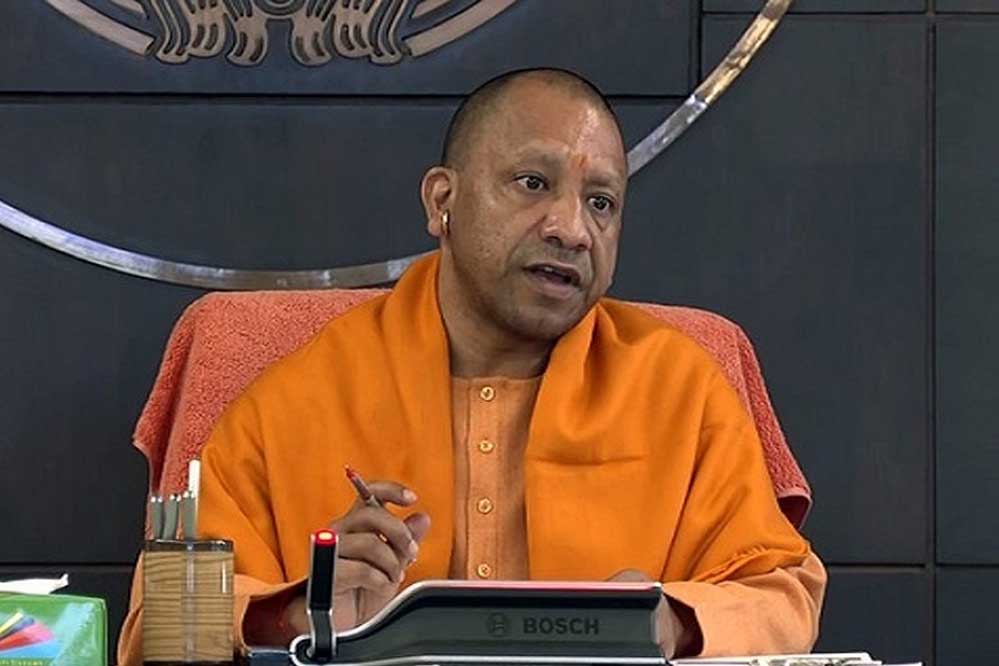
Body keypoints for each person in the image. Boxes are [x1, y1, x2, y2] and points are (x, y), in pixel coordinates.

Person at [118, 68, 826, 664]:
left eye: (601, 203)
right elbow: (159, 623)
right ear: (442, 202)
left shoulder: (678, 391)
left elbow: (780, 593)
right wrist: (302, 613)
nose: (571, 229)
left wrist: (666, 621)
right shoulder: (299, 398)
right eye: (532, 183)